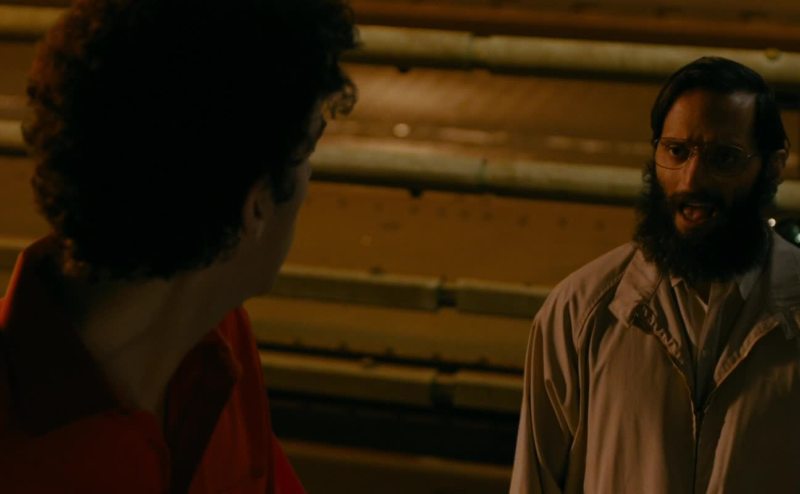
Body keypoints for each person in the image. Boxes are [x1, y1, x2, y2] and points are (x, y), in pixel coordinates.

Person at [0, 0, 356, 492]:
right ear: (255, 206)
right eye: (307, 149)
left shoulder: (215, 342)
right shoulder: (35, 468)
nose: (310, 178)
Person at [510, 57, 799, 493]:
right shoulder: (580, 313)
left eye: (724, 158)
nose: (691, 180)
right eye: (676, 152)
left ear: (773, 166)